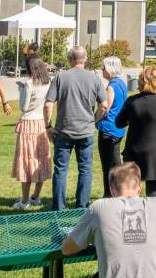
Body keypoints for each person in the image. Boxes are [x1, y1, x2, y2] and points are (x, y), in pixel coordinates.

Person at [45, 45, 111, 210]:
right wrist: (95, 120)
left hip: (63, 130)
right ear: (85, 59)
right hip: (85, 131)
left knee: (60, 170)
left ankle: (58, 207)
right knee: (85, 169)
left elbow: (48, 104)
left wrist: (48, 126)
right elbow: (104, 105)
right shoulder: (95, 78)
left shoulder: (61, 77)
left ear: (70, 59)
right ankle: (82, 205)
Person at [117, 65, 156, 197]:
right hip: (155, 154)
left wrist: (130, 119)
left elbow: (119, 122)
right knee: (153, 193)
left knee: (131, 190)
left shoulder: (131, 101)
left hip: (133, 151)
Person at [11, 53, 53, 208]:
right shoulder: (48, 81)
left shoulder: (29, 83)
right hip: (41, 122)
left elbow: (23, 106)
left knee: (26, 161)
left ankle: (24, 200)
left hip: (28, 123)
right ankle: (36, 196)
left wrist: (21, 90)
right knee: (41, 159)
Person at [94, 56, 130, 196]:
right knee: (115, 163)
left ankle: (109, 194)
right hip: (118, 129)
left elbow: (105, 108)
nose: (102, 71)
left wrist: (95, 120)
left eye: (103, 68)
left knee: (108, 167)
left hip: (108, 129)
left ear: (109, 69)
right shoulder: (122, 83)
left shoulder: (111, 87)